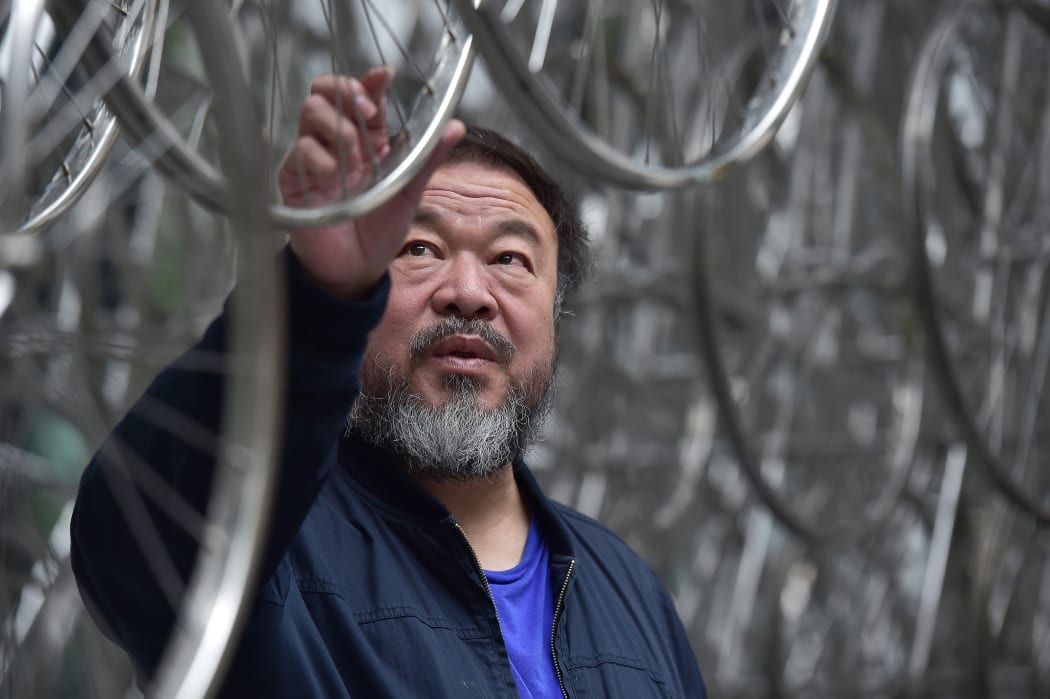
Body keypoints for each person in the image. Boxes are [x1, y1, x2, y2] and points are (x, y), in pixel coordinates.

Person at [71, 67, 707, 698]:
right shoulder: (274, 548)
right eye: (419, 249)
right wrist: (316, 293)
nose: (467, 293)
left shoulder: (630, 593)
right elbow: (133, 536)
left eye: (509, 259)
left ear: (556, 314)